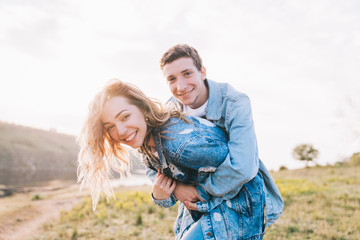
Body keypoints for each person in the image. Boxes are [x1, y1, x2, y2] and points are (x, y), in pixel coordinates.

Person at [145, 44, 284, 239]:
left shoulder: (235, 102)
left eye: (187, 74)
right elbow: (153, 166)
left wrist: (198, 190)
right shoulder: (167, 112)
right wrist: (176, 189)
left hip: (239, 197)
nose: (181, 86)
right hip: (194, 206)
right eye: (172, 79)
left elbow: (243, 165)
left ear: (202, 72)